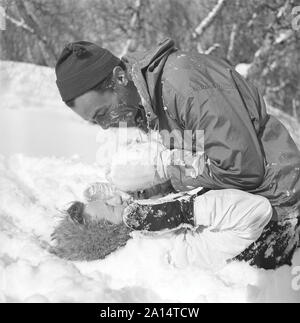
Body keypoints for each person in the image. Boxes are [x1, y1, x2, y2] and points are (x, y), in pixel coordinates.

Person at [55, 39, 300, 268]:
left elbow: (242, 169)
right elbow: (196, 154)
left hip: (277, 206)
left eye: (102, 113)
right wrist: (145, 191)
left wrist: (172, 181)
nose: (106, 126)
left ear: (119, 78)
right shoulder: (145, 101)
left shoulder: (183, 85)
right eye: (95, 122)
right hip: (246, 202)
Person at [63, 184, 272, 269]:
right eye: (110, 206)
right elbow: (257, 212)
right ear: (110, 233)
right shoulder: (169, 252)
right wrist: (184, 212)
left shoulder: (149, 229)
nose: (117, 199)